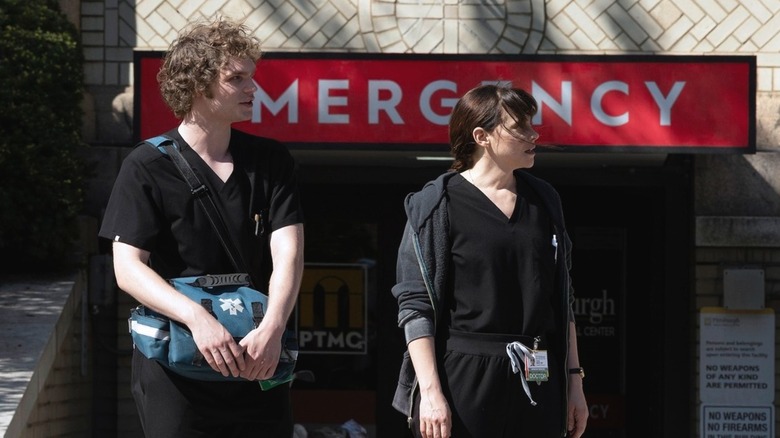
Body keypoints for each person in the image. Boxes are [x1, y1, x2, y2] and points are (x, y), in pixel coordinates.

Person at [98, 18, 304, 437]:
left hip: (256, 356)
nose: (253, 89)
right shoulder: (146, 165)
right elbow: (128, 268)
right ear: (197, 85)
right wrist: (197, 319)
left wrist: (274, 327)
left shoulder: (271, 161)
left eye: (252, 77)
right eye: (237, 78)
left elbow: (289, 253)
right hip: (177, 363)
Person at [391, 84, 588, 438]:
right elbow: (415, 306)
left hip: (536, 362)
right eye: (520, 126)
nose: (534, 134)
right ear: (481, 135)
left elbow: (563, 298)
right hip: (464, 369)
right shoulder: (436, 203)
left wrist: (575, 383)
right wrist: (431, 393)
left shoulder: (545, 200)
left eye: (532, 124)